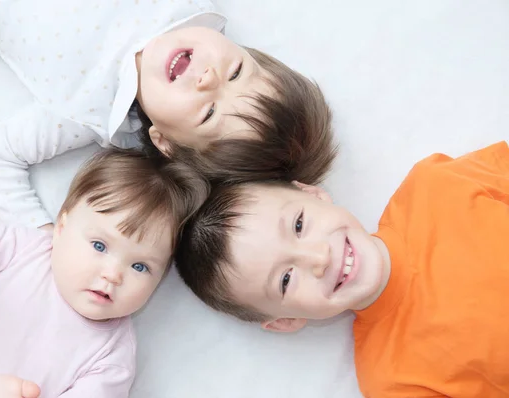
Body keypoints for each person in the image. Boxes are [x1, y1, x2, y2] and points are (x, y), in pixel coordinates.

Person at [0, 0, 335, 229]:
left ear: (164, 142)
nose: (208, 78)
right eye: (237, 71)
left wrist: (41, 239)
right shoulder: (185, 8)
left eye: (208, 114)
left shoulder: (91, 113)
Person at [175, 141, 509, 397]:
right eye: (286, 279)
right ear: (284, 320)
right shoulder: (391, 379)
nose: (319, 258)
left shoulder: (437, 185)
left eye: (299, 224)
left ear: (312, 193)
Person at [0, 147, 209, 398]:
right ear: (61, 228)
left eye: (140, 266)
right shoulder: (26, 251)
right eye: (100, 246)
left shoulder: (111, 358)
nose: (113, 274)